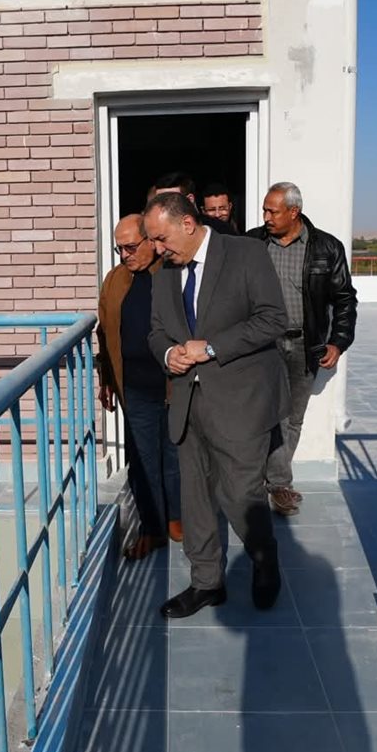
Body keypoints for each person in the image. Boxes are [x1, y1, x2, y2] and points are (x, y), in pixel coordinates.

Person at [144, 190, 288, 618]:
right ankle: (206, 582)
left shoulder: (246, 254)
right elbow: (156, 331)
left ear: (188, 224)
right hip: (187, 400)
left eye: (161, 238)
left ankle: (264, 559)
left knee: (241, 493)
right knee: (196, 498)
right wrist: (168, 355)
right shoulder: (164, 273)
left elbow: (272, 319)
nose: (157, 249)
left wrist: (210, 348)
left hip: (241, 400)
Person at [245, 181, 359, 516]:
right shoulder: (251, 244)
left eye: (272, 211)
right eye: (264, 210)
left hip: (305, 345)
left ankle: (277, 484)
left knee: (292, 418)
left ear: (294, 212)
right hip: (261, 345)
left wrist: (338, 341)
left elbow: (344, 299)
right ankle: (264, 483)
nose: (266, 217)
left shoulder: (327, 247)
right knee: (262, 415)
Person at [96, 215, 182, 558]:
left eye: (131, 247)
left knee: (176, 457)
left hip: (175, 385)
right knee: (143, 462)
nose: (124, 255)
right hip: (134, 388)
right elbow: (104, 332)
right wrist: (106, 378)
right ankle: (152, 528)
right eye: (119, 248)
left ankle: (177, 518)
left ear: (151, 241)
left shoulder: (175, 273)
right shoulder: (116, 280)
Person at [150, 171, 236, 235]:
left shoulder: (219, 230)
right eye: (159, 201)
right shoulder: (155, 232)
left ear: (190, 199)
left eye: (170, 200)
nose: (164, 206)